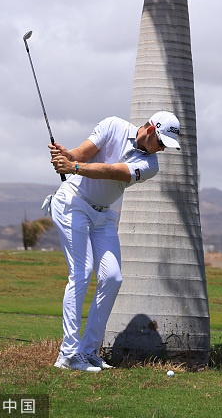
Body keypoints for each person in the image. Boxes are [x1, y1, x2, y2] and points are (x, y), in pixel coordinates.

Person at [46, 111, 181, 372]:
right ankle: (68, 354)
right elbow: (82, 154)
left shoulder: (150, 165)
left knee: (112, 278)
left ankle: (88, 352)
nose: (162, 149)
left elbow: (113, 172)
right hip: (72, 204)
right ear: (151, 128)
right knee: (82, 273)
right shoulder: (113, 125)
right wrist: (66, 156)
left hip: (103, 215)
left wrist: (72, 167)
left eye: (166, 146)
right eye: (161, 142)